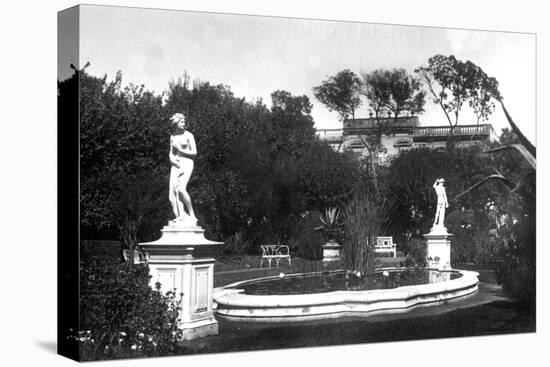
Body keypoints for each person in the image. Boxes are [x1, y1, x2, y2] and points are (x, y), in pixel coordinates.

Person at [168, 112, 198, 224]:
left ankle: (192, 215)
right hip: (176, 164)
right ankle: (181, 215)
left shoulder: (189, 135)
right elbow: (171, 153)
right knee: (174, 193)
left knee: (181, 188)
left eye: (184, 121)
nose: (184, 123)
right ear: (176, 123)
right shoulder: (173, 136)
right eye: (181, 122)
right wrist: (173, 160)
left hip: (187, 163)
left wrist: (181, 151)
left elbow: (194, 153)